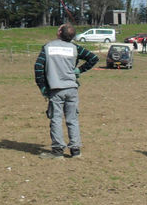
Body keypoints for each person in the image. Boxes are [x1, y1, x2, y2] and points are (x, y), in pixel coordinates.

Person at [34, 22, 99, 159]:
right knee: (72, 119)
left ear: (59, 33)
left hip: (56, 90)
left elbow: (38, 67)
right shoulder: (75, 48)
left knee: (56, 119)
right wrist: (79, 70)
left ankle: (58, 151)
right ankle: (75, 150)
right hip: (72, 89)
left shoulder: (48, 47)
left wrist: (43, 87)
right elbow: (93, 58)